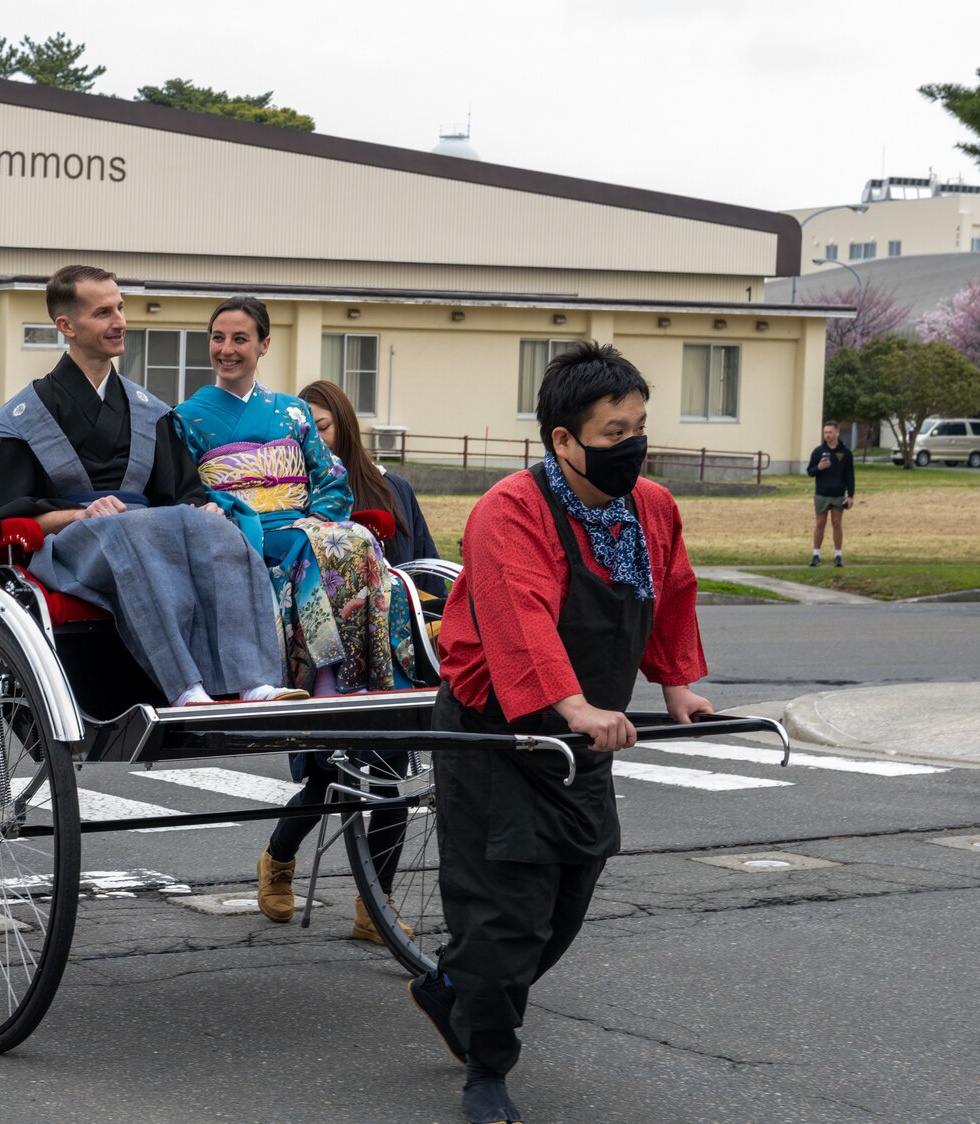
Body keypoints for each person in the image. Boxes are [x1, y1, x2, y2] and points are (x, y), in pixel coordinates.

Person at [421, 342, 712, 1124]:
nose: (634, 445)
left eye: (639, 427)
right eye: (615, 433)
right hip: (498, 730)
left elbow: (670, 591)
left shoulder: (650, 506)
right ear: (562, 439)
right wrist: (571, 704)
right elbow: (518, 616)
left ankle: (452, 987)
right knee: (503, 910)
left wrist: (676, 685)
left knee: (570, 894)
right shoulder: (510, 509)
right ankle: (485, 1067)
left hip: (585, 734)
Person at [0, 265, 304, 708]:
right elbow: (2, 514)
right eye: (102, 313)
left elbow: (180, 493)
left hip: (140, 528)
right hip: (71, 542)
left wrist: (202, 508)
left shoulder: (148, 410)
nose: (119, 322)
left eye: (120, 308)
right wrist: (78, 514)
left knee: (216, 528)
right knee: (127, 531)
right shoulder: (26, 417)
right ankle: (184, 688)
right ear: (67, 326)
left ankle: (253, 681)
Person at [173, 296, 418, 938]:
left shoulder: (288, 412)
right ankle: (330, 675)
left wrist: (322, 514)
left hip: (306, 527)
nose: (228, 349)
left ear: (263, 345)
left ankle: (370, 667)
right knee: (320, 546)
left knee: (359, 543)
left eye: (240, 339)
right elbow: (186, 492)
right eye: (218, 338)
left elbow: (330, 478)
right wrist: (249, 519)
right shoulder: (187, 418)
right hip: (243, 535)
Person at [298, 379, 440, 574]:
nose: (316, 442)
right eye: (307, 434)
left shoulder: (393, 488)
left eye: (323, 428)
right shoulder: (294, 498)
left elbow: (425, 570)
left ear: (345, 425)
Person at [807, 421, 854, 567]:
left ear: (837, 433)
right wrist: (819, 467)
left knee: (837, 523)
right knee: (820, 523)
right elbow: (810, 472)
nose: (827, 435)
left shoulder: (845, 452)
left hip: (838, 494)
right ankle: (816, 555)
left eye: (830, 432)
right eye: (825, 432)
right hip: (821, 493)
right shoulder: (818, 451)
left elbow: (850, 475)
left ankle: (838, 556)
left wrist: (850, 495)